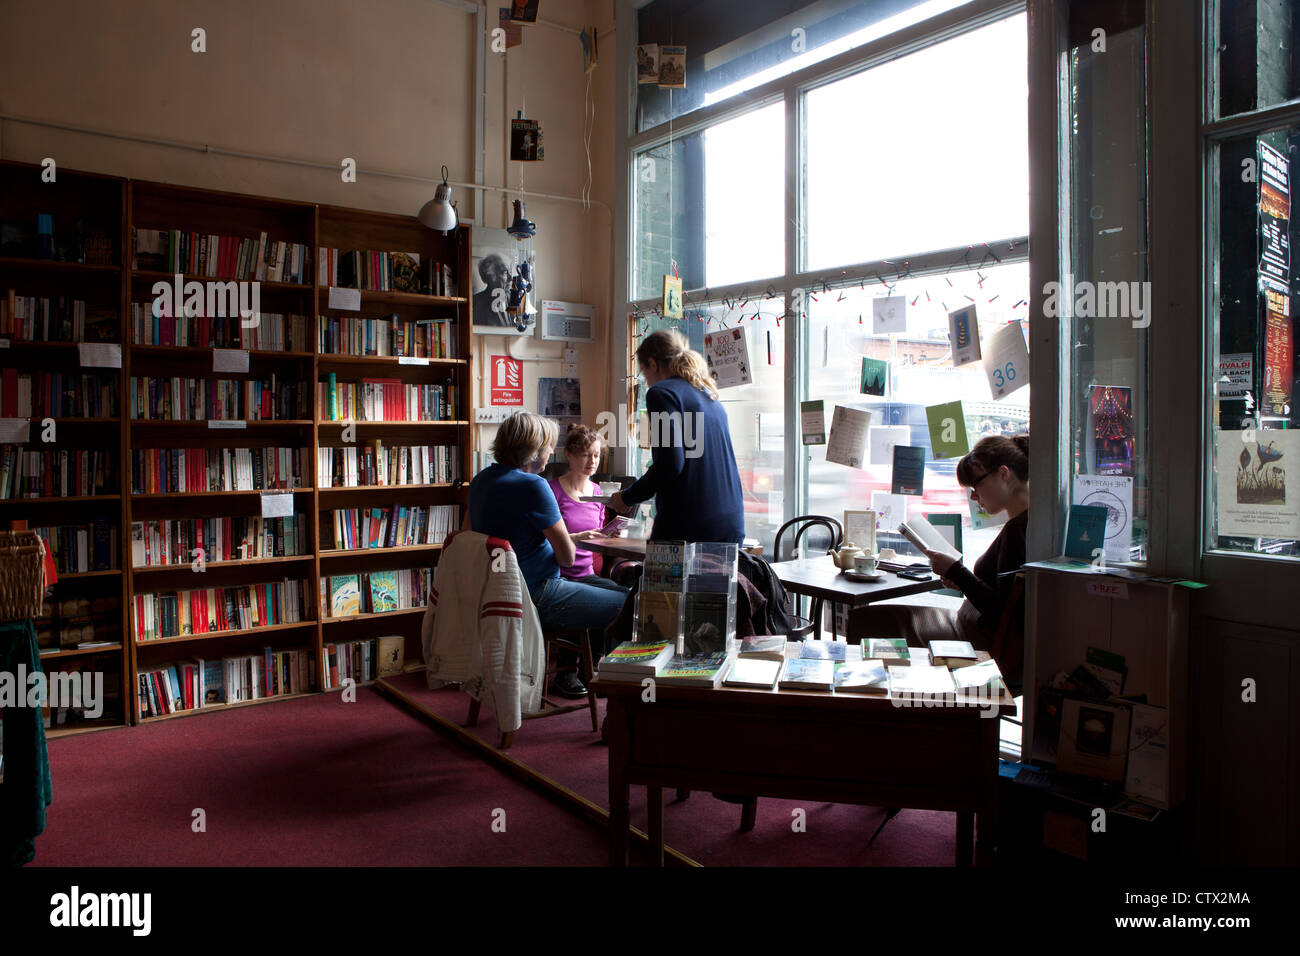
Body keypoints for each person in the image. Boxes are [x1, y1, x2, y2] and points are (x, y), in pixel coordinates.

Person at [467, 412, 629, 699]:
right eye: (548, 446)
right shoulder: (534, 485)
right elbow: (566, 558)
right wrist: (567, 540)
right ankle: (616, 687)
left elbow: (468, 535)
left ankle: (588, 676)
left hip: (494, 595)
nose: (551, 452)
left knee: (614, 590)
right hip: (538, 593)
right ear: (534, 449)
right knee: (634, 605)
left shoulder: (481, 480)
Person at [900, 433, 1029, 693]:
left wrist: (956, 572)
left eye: (976, 485)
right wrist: (959, 577)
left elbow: (1000, 611)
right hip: (975, 630)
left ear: (1004, 474)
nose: (973, 497)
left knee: (883, 623)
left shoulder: (1018, 531)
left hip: (980, 642)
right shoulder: (1022, 524)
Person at [609, 329, 745, 544]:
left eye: (644, 374)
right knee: (714, 580)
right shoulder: (708, 394)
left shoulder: (662, 393)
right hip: (730, 521)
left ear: (653, 364)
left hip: (689, 523)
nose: (648, 382)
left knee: (660, 578)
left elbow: (670, 463)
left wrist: (627, 497)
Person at [471, 253, 513, 328]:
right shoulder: (475, 303)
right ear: (489, 276)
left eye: (510, 272)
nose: (510, 279)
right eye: (505, 272)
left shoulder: (513, 300)